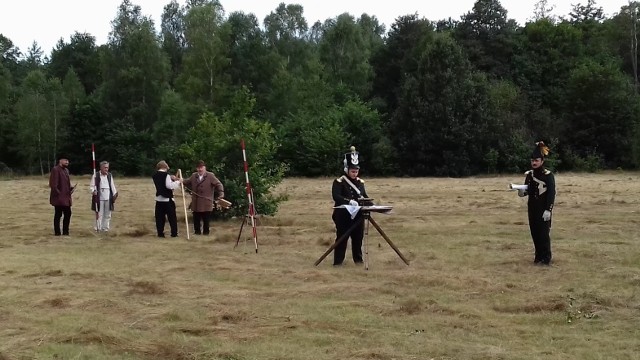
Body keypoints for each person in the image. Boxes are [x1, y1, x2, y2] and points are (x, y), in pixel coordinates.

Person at [331, 146, 373, 266]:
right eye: (352, 171)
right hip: (343, 215)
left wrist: (372, 205)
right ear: (346, 169)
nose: (355, 173)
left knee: (358, 238)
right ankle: (338, 262)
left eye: (356, 171)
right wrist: (348, 201)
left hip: (358, 215)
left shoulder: (360, 182)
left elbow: (364, 196)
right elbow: (336, 196)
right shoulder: (339, 182)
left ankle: (358, 261)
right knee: (342, 239)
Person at [517, 141, 556, 265]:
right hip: (532, 208)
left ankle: (546, 258)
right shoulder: (530, 175)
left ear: (542, 161)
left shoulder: (548, 175)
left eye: (537, 160)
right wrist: (521, 192)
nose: (534, 162)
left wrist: (548, 209)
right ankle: (538, 257)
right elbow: (529, 190)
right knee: (534, 233)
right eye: (532, 160)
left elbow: (551, 193)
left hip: (543, 207)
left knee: (543, 234)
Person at [182, 160, 224, 235]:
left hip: (206, 202)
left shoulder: (210, 175)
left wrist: (221, 193)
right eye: (198, 168)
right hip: (196, 202)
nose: (200, 169)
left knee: (206, 219)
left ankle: (206, 233)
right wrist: (179, 180)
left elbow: (218, 184)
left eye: (201, 167)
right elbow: (186, 181)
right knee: (196, 218)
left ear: (205, 168)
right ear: (196, 168)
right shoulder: (194, 175)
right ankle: (197, 232)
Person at [152, 160, 182, 238]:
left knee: (160, 218)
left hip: (159, 199)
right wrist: (178, 182)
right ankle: (174, 233)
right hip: (167, 200)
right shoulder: (166, 175)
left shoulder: (155, 175)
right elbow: (169, 186)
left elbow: (162, 183)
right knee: (172, 218)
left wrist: (172, 178)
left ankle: (160, 233)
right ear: (165, 167)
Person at [49, 155, 75, 236]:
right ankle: (57, 232)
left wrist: (70, 188)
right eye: (65, 160)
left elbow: (65, 183)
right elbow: (53, 184)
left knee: (68, 214)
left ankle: (65, 232)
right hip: (59, 198)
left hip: (66, 197)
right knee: (58, 214)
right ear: (60, 161)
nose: (67, 162)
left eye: (68, 160)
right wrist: (58, 194)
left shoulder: (66, 170)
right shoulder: (55, 170)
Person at [90, 161, 118, 232]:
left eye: (107, 167)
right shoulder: (96, 175)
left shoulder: (109, 175)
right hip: (99, 198)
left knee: (108, 214)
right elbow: (92, 186)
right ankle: (98, 227)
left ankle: (105, 228)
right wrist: (93, 191)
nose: (106, 169)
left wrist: (115, 194)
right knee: (99, 214)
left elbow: (112, 185)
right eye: (105, 167)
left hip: (108, 197)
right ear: (101, 168)